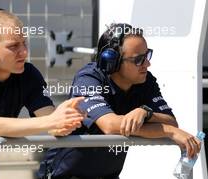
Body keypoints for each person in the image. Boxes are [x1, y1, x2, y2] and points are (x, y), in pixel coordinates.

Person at [38, 23, 201, 179]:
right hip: (65, 175)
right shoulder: (88, 78)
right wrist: (168, 131)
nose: (147, 64)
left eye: (147, 55)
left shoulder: (145, 80)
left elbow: (171, 121)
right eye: (139, 59)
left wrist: (145, 113)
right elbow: (110, 125)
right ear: (112, 62)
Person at [0, 8, 85, 179]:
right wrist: (51, 121)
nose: (24, 52)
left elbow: (50, 119)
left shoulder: (27, 74)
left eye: (24, 43)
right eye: (13, 46)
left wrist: (67, 119)